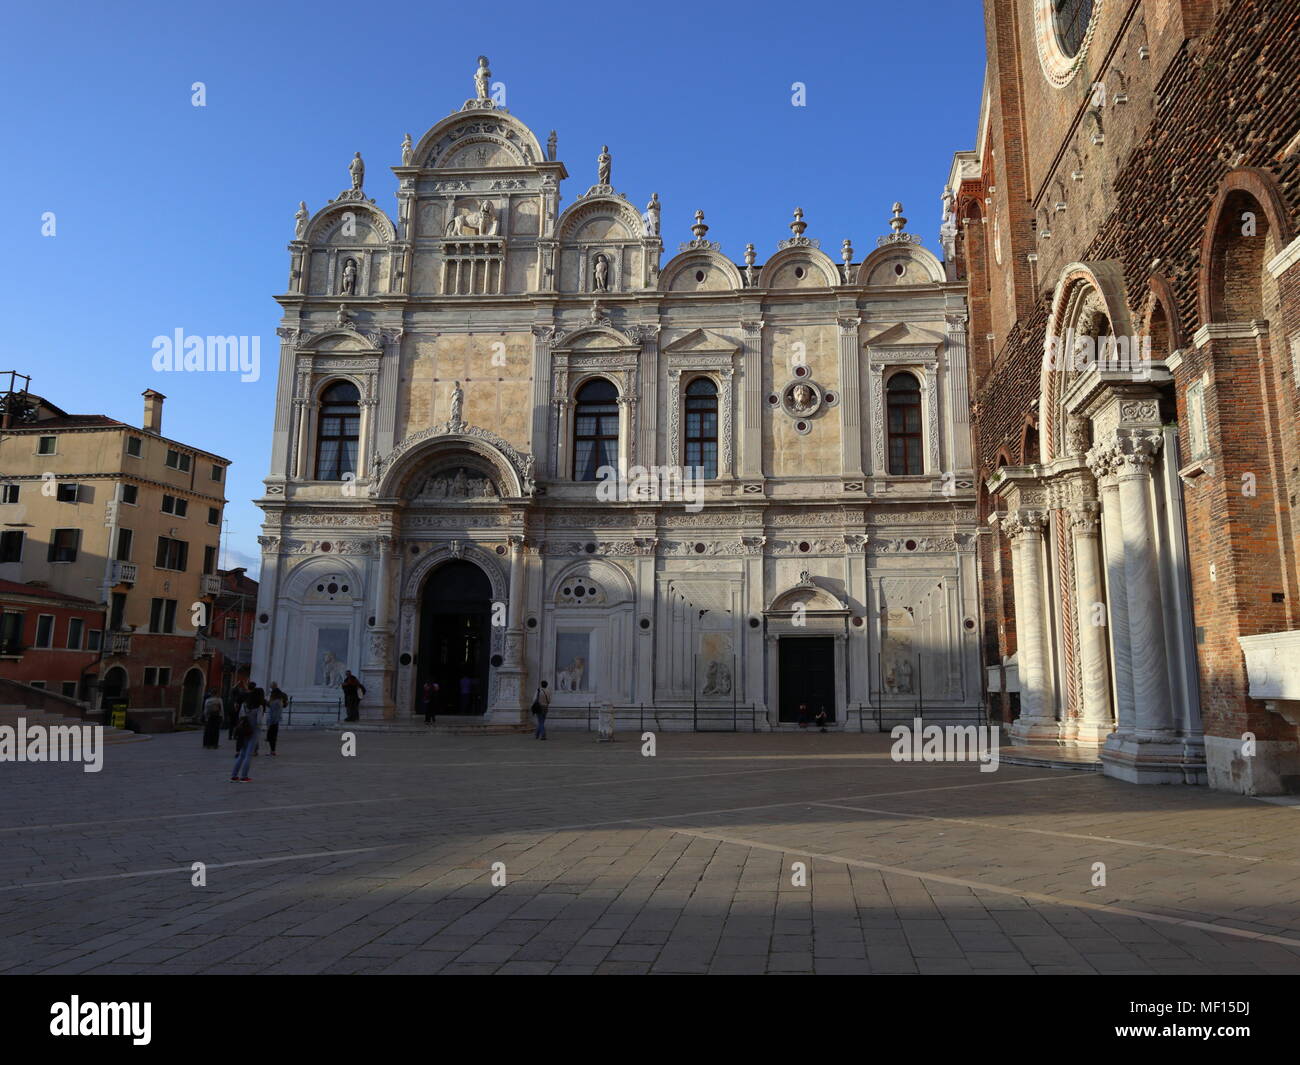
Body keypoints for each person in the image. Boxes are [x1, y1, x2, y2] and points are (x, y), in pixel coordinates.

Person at [230, 688, 264, 782]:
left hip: (243, 731)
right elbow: (259, 721)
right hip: (253, 732)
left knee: (241, 754)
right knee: (248, 755)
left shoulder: (245, 705)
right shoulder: (259, 707)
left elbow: (240, 717)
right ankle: (244, 776)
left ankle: (234, 775)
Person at [266, 684, 287, 755]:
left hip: (273, 720)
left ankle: (272, 750)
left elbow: (271, 710)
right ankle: (272, 750)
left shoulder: (275, 702)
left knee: (271, 736)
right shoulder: (280, 701)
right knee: (273, 736)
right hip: (276, 720)